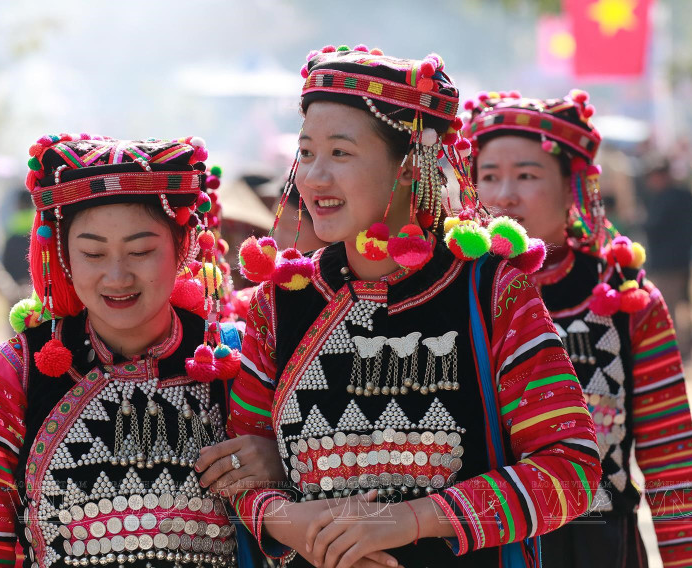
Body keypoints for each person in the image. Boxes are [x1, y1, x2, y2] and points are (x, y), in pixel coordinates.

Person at [227, 46, 601, 568]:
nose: (313, 178)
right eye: (306, 152)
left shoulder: (491, 292)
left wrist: (411, 520)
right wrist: (294, 524)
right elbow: (239, 467)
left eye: (340, 153)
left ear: (407, 168)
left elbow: (571, 471)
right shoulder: (284, 298)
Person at [0, 134, 284, 568]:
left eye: (140, 251)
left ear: (182, 248)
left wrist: (279, 460)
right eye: (93, 253)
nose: (117, 276)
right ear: (63, 256)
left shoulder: (233, 361)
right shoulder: (16, 373)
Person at [470, 91, 692, 568]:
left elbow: (671, 458)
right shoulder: (454, 295)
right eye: (489, 176)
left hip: (599, 548)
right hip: (484, 548)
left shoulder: (626, 300)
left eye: (527, 175)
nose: (503, 196)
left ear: (571, 187)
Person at [643, 160, 692, 361]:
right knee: (685, 303)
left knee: (670, 307)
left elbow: (653, 227)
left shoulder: (665, 199)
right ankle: (688, 343)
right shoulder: (685, 195)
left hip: (667, 264)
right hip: (684, 260)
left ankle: (676, 347)